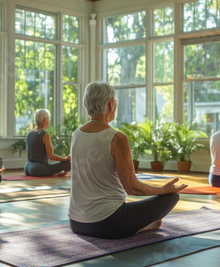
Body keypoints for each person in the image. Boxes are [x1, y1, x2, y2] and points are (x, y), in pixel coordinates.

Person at [68, 81, 187, 239]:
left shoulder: (77, 134)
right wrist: (163, 190)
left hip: (76, 223)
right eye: (115, 102)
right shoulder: (117, 138)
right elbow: (132, 188)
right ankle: (139, 227)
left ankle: (138, 225)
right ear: (111, 103)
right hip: (108, 224)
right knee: (172, 197)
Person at [24, 109, 71, 177]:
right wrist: (65, 159)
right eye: (49, 119)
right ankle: (61, 172)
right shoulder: (45, 135)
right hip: (38, 169)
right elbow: (51, 156)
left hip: (27, 168)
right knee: (68, 163)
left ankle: (60, 173)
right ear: (45, 120)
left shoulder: (29, 134)